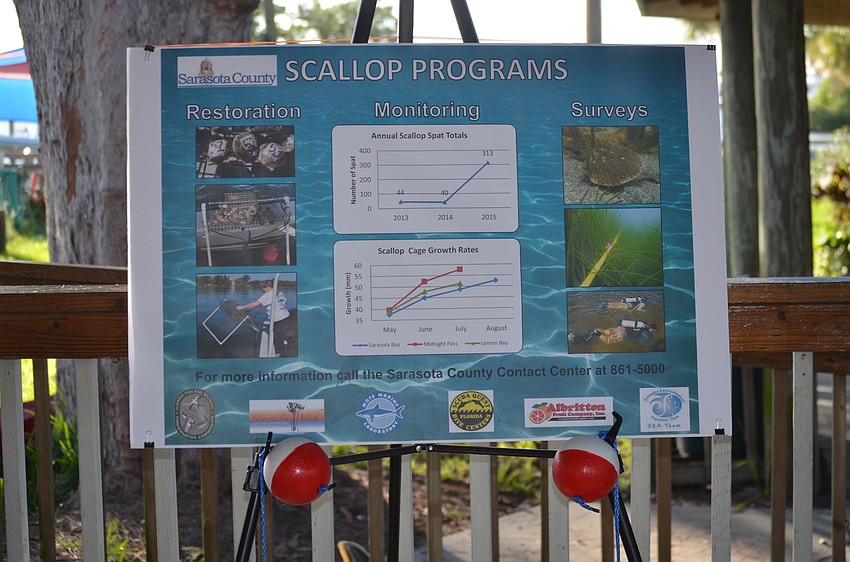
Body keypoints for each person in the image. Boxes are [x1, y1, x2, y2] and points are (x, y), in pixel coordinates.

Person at [237, 279, 290, 357]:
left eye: (263, 287)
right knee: (283, 333)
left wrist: (242, 307)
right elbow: (285, 301)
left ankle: (279, 354)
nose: (262, 289)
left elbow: (254, 304)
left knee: (277, 337)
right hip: (287, 316)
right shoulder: (279, 292)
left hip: (278, 320)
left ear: (267, 287)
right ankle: (284, 342)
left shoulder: (267, 295)